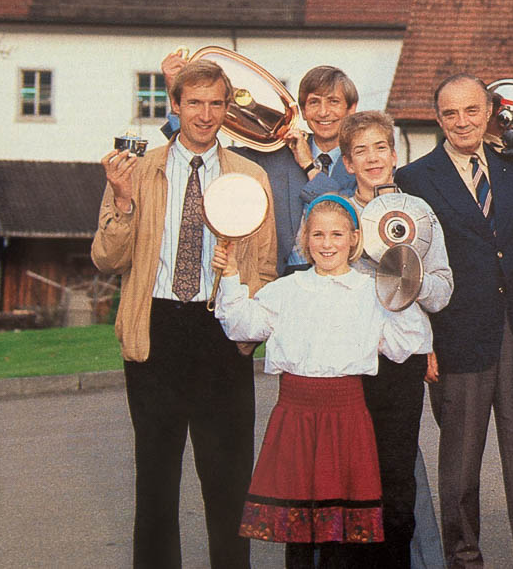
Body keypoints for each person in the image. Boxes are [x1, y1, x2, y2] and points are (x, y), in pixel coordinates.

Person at [91, 59, 277, 568]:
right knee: (155, 480)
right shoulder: (136, 171)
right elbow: (107, 259)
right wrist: (124, 204)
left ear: (228, 109)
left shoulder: (250, 176)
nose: (205, 115)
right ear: (175, 105)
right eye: (194, 103)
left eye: (216, 104)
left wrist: (246, 333)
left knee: (228, 481)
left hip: (220, 330)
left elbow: (264, 268)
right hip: (156, 329)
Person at [394, 74, 513, 568]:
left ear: (490, 113)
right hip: (456, 337)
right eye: (451, 113)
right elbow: (408, 268)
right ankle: (463, 561)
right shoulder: (414, 179)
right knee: (460, 471)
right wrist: (424, 342)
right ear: (438, 119)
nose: (462, 122)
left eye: (472, 111)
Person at [213, 195, 420, 568]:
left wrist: (402, 289)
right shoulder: (287, 290)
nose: (327, 244)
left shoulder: (370, 292)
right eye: (318, 234)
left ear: (354, 239)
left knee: (340, 531)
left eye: (337, 234)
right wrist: (229, 275)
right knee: (297, 528)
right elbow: (242, 325)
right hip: (296, 417)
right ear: (304, 239)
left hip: (347, 417)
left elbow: (403, 345)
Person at [340, 110, 453, 568]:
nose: (372, 159)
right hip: (347, 362)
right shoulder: (337, 214)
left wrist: (408, 275)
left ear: (393, 154)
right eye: (360, 151)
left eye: (380, 148)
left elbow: (442, 291)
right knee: (349, 480)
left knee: (397, 481)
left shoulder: (419, 213)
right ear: (348, 162)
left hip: (400, 364)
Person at [161, 53, 359, 277]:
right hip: (280, 280)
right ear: (303, 111)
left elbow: (344, 212)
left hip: (342, 277)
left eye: (333, 102)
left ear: (351, 109)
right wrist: (177, 100)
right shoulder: (274, 152)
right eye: (314, 102)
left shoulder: (363, 160)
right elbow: (206, 154)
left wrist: (308, 165)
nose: (323, 112)